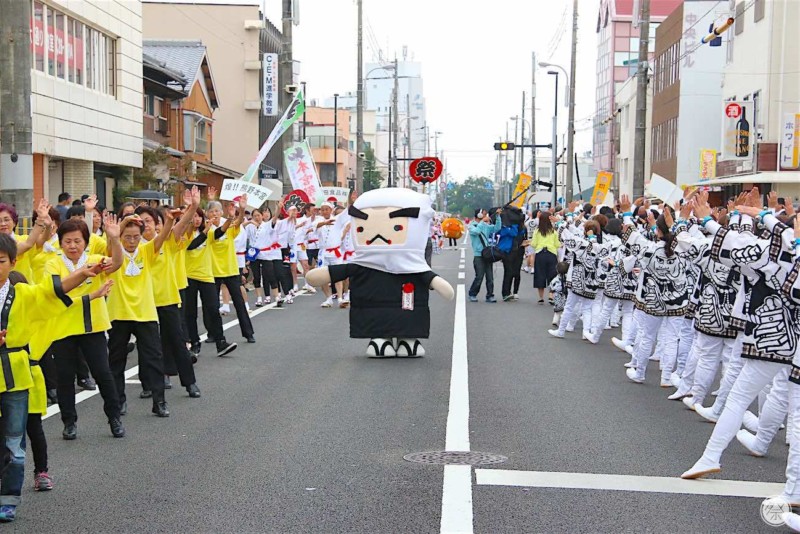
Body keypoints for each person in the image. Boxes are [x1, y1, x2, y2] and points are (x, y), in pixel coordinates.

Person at [0, 231, 112, 523]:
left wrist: (82, 275)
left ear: (13, 262)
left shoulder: (23, 294)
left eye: (0, 260)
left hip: (15, 374)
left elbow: (54, 291)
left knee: (15, 440)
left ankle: (9, 498)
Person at [306, 188, 455, 357]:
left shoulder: (414, 265)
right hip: (368, 278)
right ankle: (380, 339)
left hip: (398, 280)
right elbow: (339, 271)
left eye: (398, 227)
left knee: (407, 314)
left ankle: (407, 339)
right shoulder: (363, 263)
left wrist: (436, 281)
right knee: (384, 316)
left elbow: (428, 276)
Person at [42, 215, 125, 440]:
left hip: (92, 327)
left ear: (86, 242)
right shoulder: (53, 263)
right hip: (62, 327)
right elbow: (57, 291)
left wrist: (115, 240)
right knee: (65, 378)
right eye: (68, 241)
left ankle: (115, 417)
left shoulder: (96, 259)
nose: (72, 245)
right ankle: (69, 422)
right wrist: (87, 282)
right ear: (60, 242)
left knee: (102, 373)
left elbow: (116, 263)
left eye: (77, 241)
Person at [468, 208, 502, 303]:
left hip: (487, 254)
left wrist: (498, 216)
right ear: (479, 215)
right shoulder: (471, 226)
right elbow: (477, 231)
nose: (486, 215)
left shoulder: (485, 225)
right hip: (478, 255)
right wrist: (482, 222)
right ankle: (472, 293)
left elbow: (497, 228)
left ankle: (490, 295)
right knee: (479, 276)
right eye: (484, 214)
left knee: (490, 277)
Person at [531, 211, 560, 304]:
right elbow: (557, 244)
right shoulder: (553, 231)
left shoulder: (537, 231)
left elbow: (533, 244)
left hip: (540, 254)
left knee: (540, 274)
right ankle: (551, 295)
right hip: (551, 254)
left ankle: (541, 297)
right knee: (552, 275)